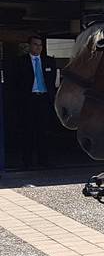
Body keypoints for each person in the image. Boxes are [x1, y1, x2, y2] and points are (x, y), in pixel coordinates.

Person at [14, 35, 58, 169]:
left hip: (44, 99)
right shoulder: (21, 61)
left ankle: (44, 160)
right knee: (28, 131)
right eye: (35, 44)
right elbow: (16, 82)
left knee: (43, 131)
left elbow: (52, 81)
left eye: (40, 45)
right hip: (28, 100)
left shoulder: (49, 61)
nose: (38, 47)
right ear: (29, 46)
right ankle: (27, 161)